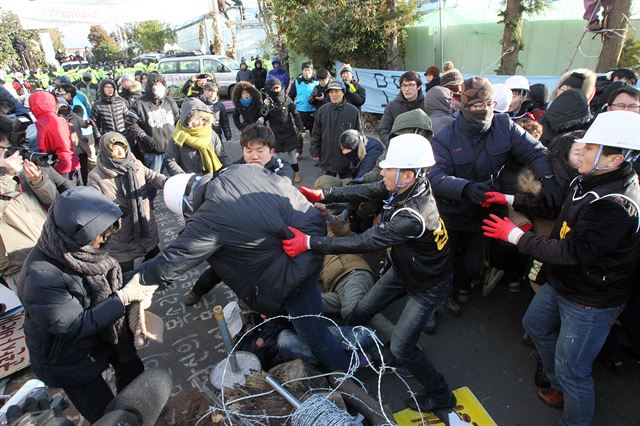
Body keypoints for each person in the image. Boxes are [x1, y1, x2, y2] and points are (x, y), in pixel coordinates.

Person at [481, 110, 640, 426]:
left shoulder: (616, 205)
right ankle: (559, 384)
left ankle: (571, 409)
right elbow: (555, 209)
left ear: (615, 159)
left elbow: (574, 252)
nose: (581, 149)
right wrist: (510, 197)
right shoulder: (589, 178)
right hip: (566, 282)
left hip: (590, 300)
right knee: (536, 323)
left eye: (592, 146)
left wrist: (514, 235)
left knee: (575, 370)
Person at [283, 134, 457, 414]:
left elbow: (366, 241)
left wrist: (310, 243)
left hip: (428, 285)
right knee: (357, 313)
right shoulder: (406, 186)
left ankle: (440, 394)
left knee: (402, 348)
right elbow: (366, 190)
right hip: (404, 269)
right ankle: (371, 351)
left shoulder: (412, 215)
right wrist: (324, 194)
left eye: (389, 168)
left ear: (408, 174)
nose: (383, 172)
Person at [137, 164, 351, 374]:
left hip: (294, 271)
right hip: (308, 242)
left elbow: (172, 260)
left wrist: (137, 281)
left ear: (188, 203)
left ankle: (350, 379)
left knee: (316, 336)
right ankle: (344, 349)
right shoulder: (239, 171)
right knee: (309, 321)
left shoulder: (210, 214)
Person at [17, 186, 158, 423]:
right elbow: (74, 325)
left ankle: (138, 408)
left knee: (130, 366)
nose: (105, 239)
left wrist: (139, 289)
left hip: (101, 332)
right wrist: (122, 298)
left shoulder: (82, 251)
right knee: (104, 412)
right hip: (65, 355)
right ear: (75, 235)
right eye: (99, 233)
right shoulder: (40, 277)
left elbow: (103, 284)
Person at [428, 77, 558, 316]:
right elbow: (436, 176)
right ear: (464, 107)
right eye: (475, 107)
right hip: (452, 213)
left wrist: (547, 178)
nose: (482, 111)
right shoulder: (446, 137)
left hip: (484, 212)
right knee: (441, 261)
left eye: (487, 104)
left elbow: (536, 152)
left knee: (472, 263)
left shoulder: (504, 126)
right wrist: (465, 188)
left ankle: (462, 285)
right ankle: (439, 299)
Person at [183, 124, 294, 305]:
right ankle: (197, 290)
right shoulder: (234, 169)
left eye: (260, 150)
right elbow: (215, 185)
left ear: (272, 151)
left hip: (270, 233)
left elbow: (282, 191)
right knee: (223, 266)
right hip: (239, 229)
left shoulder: (282, 168)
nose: (254, 156)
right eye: (248, 150)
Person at [87, 132, 166, 272]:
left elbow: (152, 176)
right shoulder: (96, 176)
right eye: (114, 149)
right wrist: (113, 210)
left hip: (143, 220)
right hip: (120, 231)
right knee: (125, 268)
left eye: (123, 147)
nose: (120, 152)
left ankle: (156, 276)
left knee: (154, 255)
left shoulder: (135, 163)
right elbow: (94, 201)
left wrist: (168, 182)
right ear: (106, 151)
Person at [0, 118, 58, 292]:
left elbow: (51, 198)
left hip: (49, 250)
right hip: (18, 265)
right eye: (5, 149)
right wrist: (6, 177)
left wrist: (38, 181)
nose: (11, 154)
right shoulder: (8, 175)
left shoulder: (15, 170)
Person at [125, 72, 179, 178]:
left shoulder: (170, 101)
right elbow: (130, 123)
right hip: (153, 152)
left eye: (161, 84)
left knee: (175, 179)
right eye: (155, 84)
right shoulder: (139, 103)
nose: (159, 87)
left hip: (172, 150)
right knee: (153, 181)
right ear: (150, 86)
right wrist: (143, 136)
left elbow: (178, 120)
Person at [165, 98, 230, 176]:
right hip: (189, 181)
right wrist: (182, 176)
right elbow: (171, 160)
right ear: (187, 119)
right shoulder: (178, 136)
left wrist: (229, 170)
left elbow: (221, 155)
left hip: (212, 178)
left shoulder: (211, 134)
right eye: (196, 118)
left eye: (203, 119)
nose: (200, 122)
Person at [310, 80, 362, 178]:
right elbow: (316, 133)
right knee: (325, 187)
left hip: (347, 160)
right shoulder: (322, 110)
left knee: (347, 189)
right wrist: (315, 150)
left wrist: (357, 156)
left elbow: (359, 135)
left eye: (337, 91)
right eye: (331, 92)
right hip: (327, 157)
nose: (333, 95)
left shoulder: (353, 111)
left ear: (343, 92)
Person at [30, 90, 80, 180]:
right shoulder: (62, 120)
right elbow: (74, 140)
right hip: (73, 161)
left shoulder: (40, 124)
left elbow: (41, 149)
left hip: (59, 166)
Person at [262, 77, 304, 182]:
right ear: (270, 89)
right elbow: (263, 117)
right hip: (275, 133)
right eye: (274, 88)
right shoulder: (268, 102)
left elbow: (296, 114)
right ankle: (277, 174)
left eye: (278, 87)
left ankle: (296, 173)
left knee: (292, 155)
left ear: (281, 87)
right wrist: (265, 106)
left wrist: (300, 128)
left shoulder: (287, 99)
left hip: (289, 132)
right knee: (275, 156)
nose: (276, 90)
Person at [378, 71, 426, 146]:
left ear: (418, 87)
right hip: (397, 148)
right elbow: (383, 129)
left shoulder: (427, 104)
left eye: (411, 85)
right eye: (404, 85)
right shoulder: (392, 106)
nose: (407, 89)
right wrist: (393, 144)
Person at [288, 62, 318, 156]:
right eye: (305, 70)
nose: (307, 72)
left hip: (314, 111)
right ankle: (298, 151)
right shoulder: (297, 82)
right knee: (300, 133)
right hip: (300, 111)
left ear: (312, 71)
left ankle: (314, 152)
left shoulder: (317, 81)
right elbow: (290, 97)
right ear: (302, 71)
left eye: (309, 70)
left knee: (314, 134)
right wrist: (289, 109)